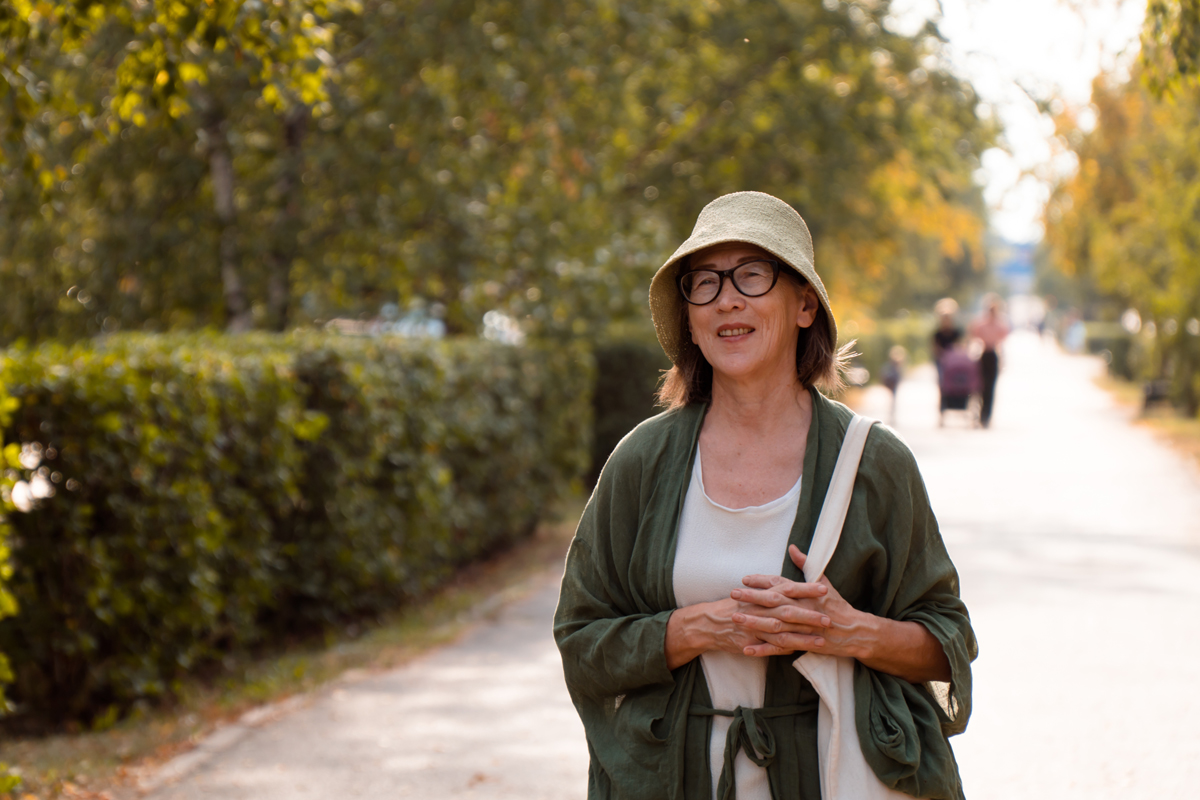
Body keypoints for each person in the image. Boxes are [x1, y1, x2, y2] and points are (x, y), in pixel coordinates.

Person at [554, 192, 976, 800]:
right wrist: (696, 628)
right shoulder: (642, 464)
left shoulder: (875, 463)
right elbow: (581, 638)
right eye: (705, 282)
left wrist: (847, 630)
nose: (727, 297)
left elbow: (948, 644)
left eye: (752, 275)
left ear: (804, 305)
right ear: (691, 319)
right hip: (679, 781)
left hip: (834, 779)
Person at [968, 295, 1010, 428]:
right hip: (983, 354)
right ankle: (980, 413)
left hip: (993, 355)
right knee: (980, 386)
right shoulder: (982, 323)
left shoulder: (999, 324)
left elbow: (1003, 338)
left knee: (990, 388)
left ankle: (987, 416)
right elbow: (973, 333)